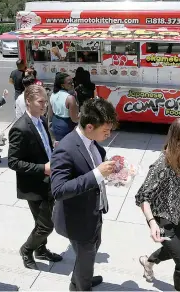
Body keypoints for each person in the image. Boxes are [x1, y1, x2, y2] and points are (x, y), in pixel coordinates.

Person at [50, 98, 118, 291]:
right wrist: (97, 174)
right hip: (78, 220)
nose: (109, 134)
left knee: (90, 252)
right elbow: (59, 190)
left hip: (94, 212)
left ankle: (79, 281)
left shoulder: (92, 142)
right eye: (105, 131)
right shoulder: (65, 148)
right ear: (89, 126)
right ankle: (82, 286)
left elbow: (93, 167)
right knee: (86, 256)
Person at [135, 118, 180, 291]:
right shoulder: (162, 165)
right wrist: (152, 223)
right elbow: (142, 196)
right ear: (177, 141)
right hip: (162, 219)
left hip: (179, 215)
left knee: (172, 250)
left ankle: (148, 261)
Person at [8, 84, 63, 271]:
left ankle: (41, 249)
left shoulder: (41, 120)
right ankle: (27, 249)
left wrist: (52, 146)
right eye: (41, 102)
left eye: (46, 102)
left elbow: (42, 144)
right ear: (28, 101)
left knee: (43, 222)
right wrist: (42, 168)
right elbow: (13, 162)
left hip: (48, 182)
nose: (44, 105)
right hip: (34, 186)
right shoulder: (20, 128)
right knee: (46, 226)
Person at [48, 72, 79, 141]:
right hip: (67, 126)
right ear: (62, 85)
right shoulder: (70, 98)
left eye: (72, 82)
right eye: (69, 83)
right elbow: (74, 119)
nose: (72, 84)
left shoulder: (52, 95)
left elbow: (50, 114)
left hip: (55, 124)